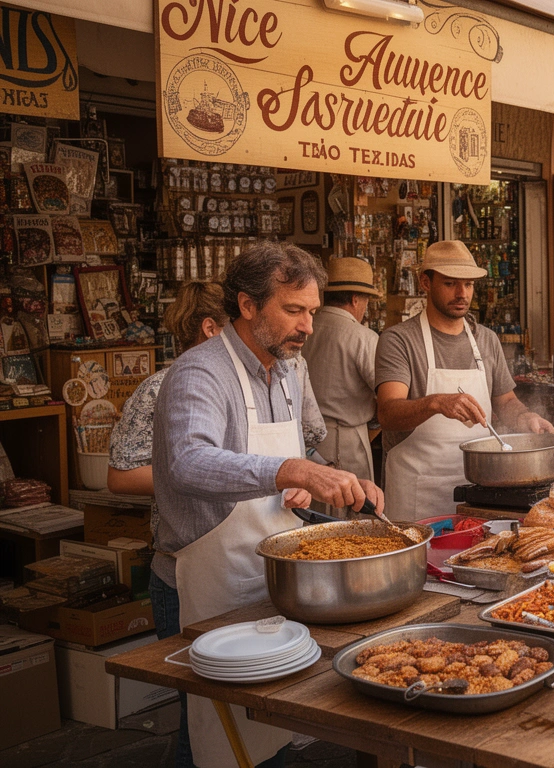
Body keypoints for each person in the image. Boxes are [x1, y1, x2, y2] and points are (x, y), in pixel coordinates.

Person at [154, 243, 386, 768]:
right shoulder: (199, 373)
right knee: (218, 738)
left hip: (276, 577)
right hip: (212, 582)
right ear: (248, 305)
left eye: (311, 310)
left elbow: (295, 455)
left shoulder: (287, 370)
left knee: (274, 733)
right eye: (293, 310)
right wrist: (288, 470)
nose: (307, 325)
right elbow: (188, 463)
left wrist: (326, 476)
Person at [107, 281, 229, 768]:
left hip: (240, 565)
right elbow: (119, 475)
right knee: (199, 722)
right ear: (210, 328)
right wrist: (195, 472)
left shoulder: (253, 382)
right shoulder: (162, 386)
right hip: (182, 569)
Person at [376, 241, 554, 520]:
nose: (462, 294)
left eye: (469, 285)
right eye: (450, 283)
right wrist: (436, 402)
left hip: (477, 492)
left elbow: (506, 400)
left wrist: (526, 418)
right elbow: (388, 413)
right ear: (425, 282)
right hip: (418, 493)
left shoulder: (486, 339)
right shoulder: (399, 340)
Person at [305, 257, 381, 497]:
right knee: (351, 512)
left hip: (305, 444)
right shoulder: (363, 337)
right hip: (345, 441)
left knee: (314, 517)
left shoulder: (304, 328)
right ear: (356, 299)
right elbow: (385, 391)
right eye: (366, 301)